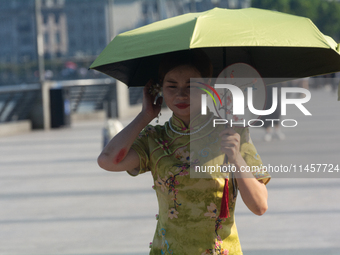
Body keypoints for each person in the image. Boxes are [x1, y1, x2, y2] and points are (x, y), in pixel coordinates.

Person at [97, 50, 270, 255]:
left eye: (191, 86)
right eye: (171, 86)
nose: (181, 94)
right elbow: (107, 160)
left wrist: (236, 158)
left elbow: (259, 206)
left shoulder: (232, 133)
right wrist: (145, 116)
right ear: (159, 88)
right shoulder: (155, 139)